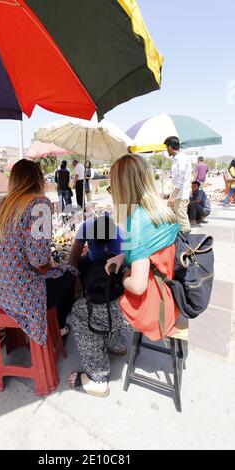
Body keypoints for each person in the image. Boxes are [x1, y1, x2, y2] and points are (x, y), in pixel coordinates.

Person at [68, 154, 180, 397]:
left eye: (112, 185)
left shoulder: (137, 220)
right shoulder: (161, 211)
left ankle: (97, 378)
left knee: (80, 312)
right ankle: (115, 344)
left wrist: (125, 274)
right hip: (167, 293)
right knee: (105, 295)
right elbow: (148, 253)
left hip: (152, 306)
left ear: (122, 186)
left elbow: (137, 286)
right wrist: (123, 258)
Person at [0, 159, 77, 342]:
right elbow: (40, 262)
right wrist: (50, 265)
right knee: (70, 274)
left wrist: (8, 258)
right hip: (29, 295)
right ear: (38, 179)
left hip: (2, 294)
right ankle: (60, 328)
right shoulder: (39, 205)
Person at [68, 213, 125, 292]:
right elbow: (72, 260)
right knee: (70, 275)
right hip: (91, 261)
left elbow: (124, 267)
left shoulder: (119, 239)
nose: (100, 247)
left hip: (111, 267)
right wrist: (77, 283)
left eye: (103, 244)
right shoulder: (86, 227)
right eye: (97, 243)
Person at [164, 136, 192, 233]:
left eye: (166, 147)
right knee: (172, 219)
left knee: (184, 225)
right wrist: (170, 195)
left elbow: (181, 179)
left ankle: (187, 244)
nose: (166, 150)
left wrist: (173, 196)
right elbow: (176, 180)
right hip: (176, 195)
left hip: (181, 196)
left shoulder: (182, 158)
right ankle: (177, 242)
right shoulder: (176, 159)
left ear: (170, 147)